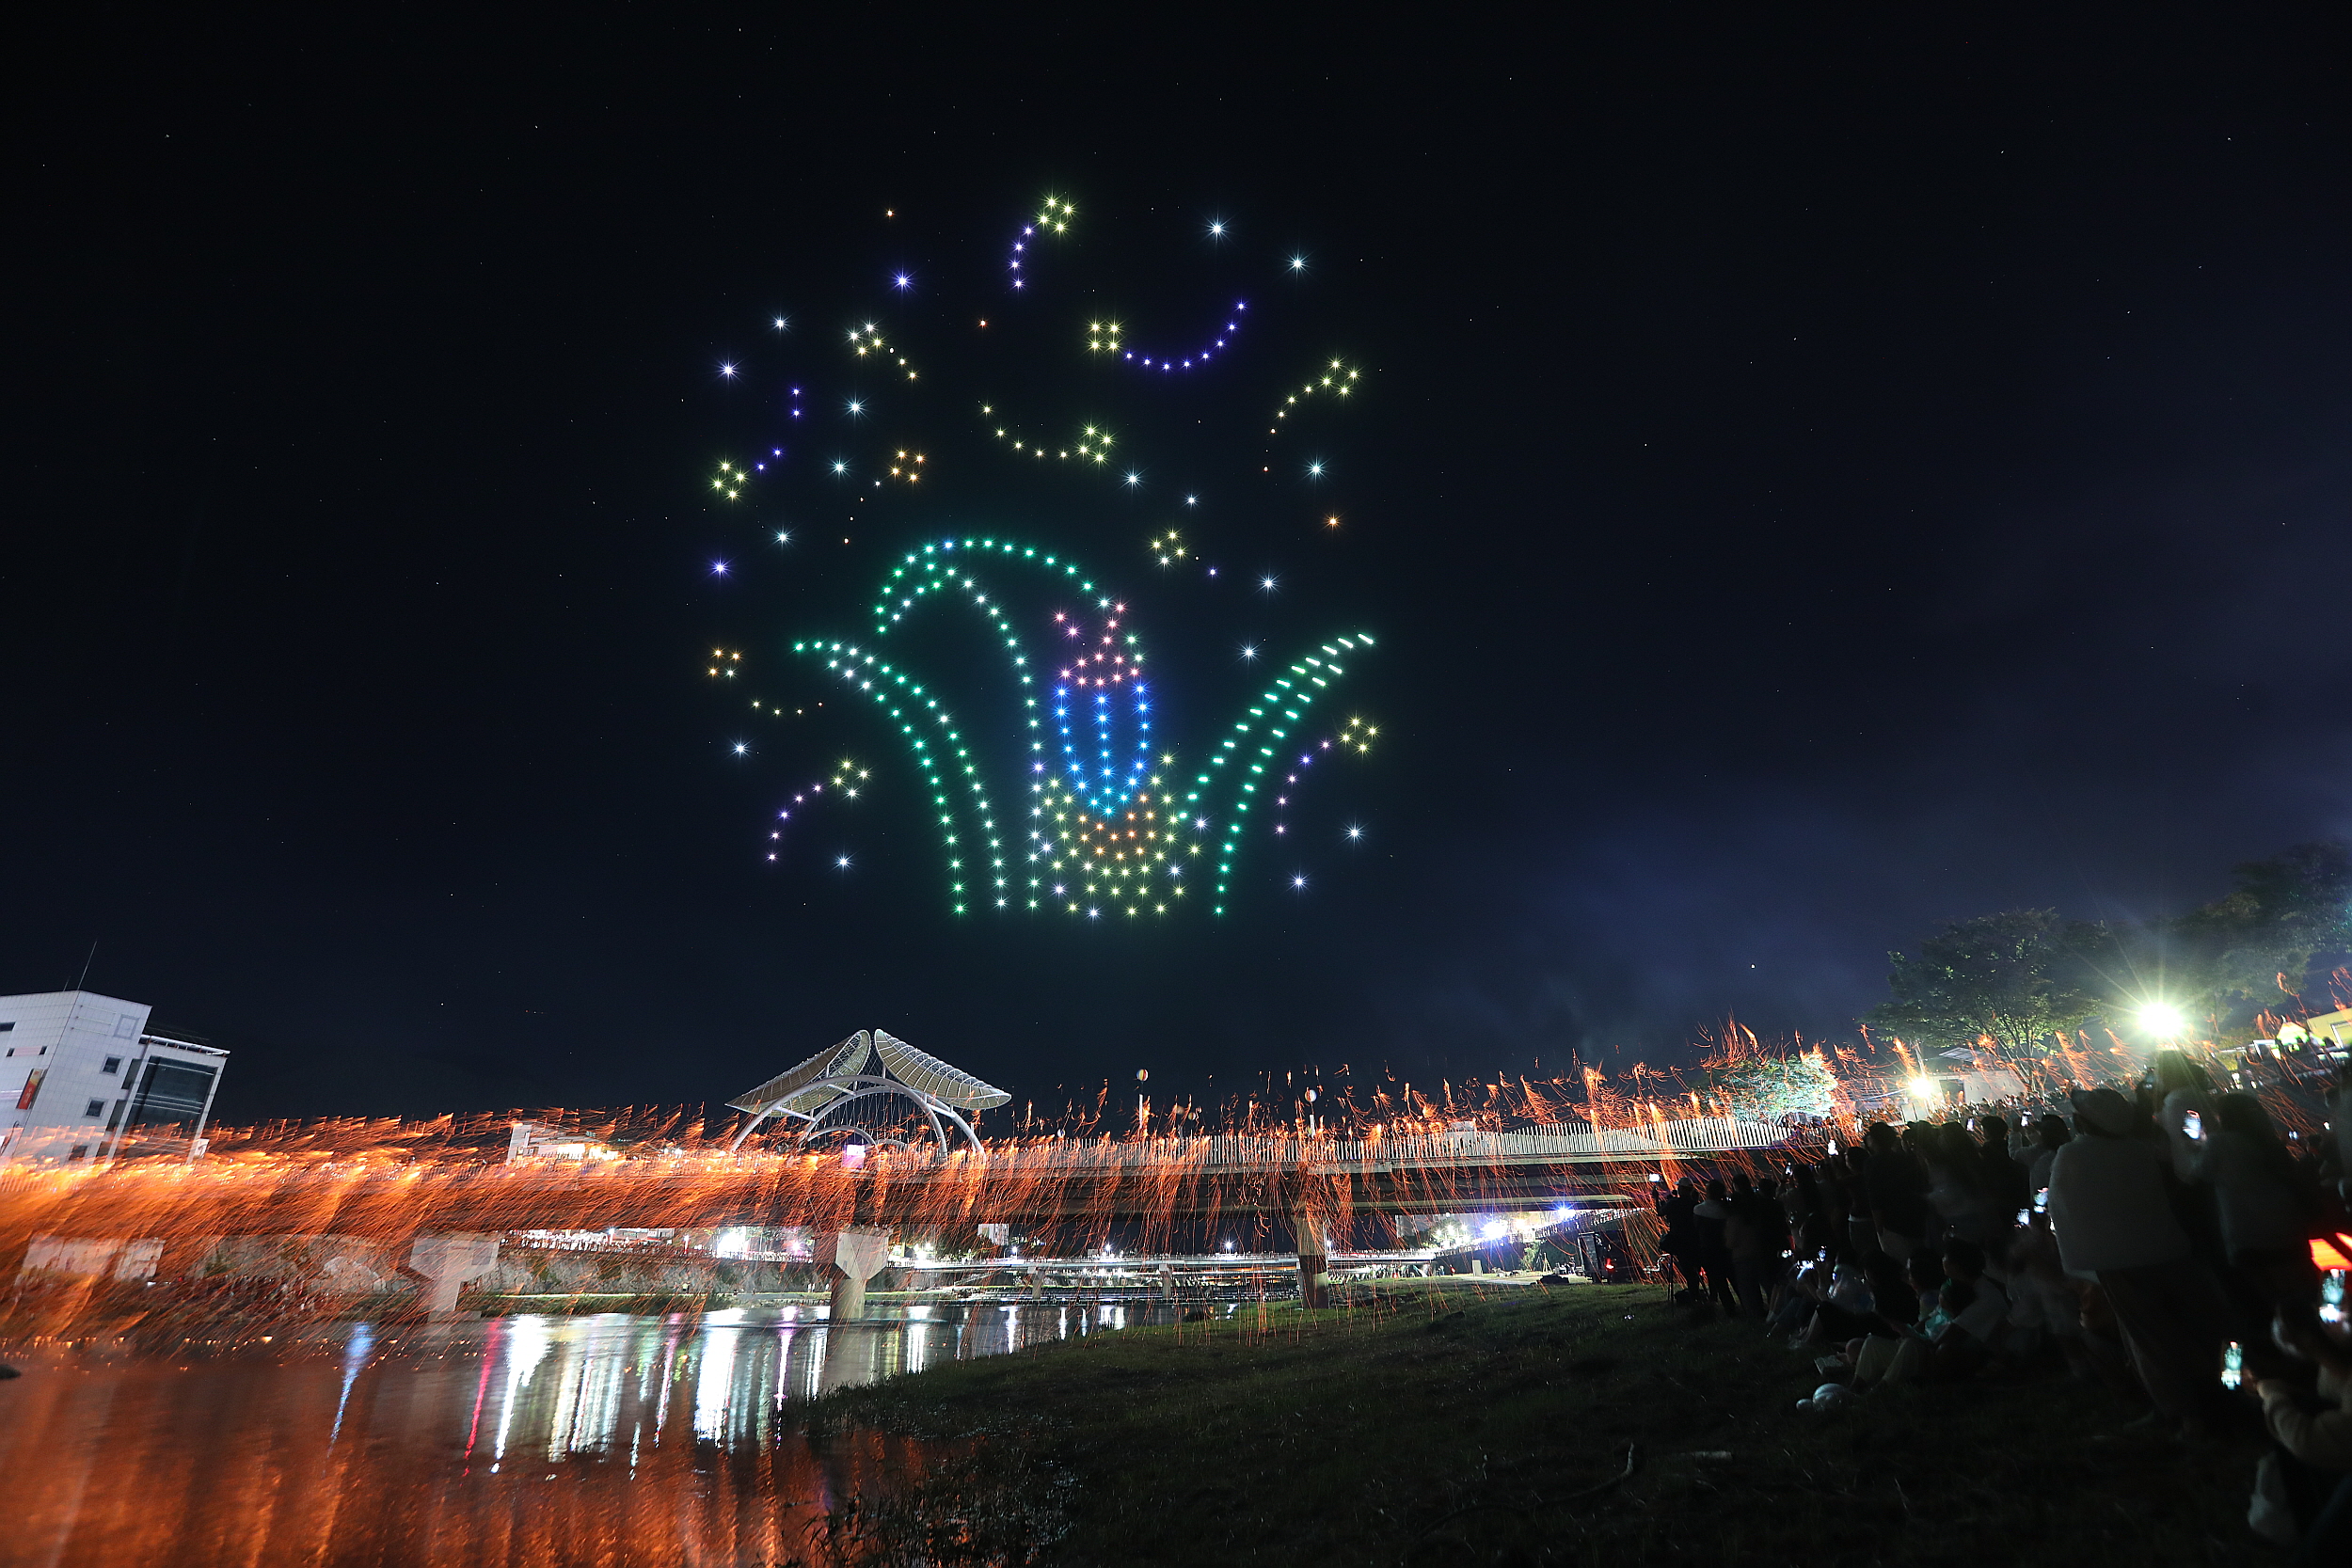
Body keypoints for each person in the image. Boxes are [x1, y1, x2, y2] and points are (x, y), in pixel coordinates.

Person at [2046, 1086, 2235, 1433]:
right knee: (2194, 1324)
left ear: (2084, 1122)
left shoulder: (2072, 1155)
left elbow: (2067, 1211)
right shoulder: (2140, 1151)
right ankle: (2228, 1392)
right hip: (2166, 1249)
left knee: (2149, 1339)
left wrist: (2079, 1263)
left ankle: (2182, 1413)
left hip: (2119, 1263)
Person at [2185, 1091, 2320, 1308]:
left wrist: (2196, 1145)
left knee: (2275, 1300)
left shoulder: (2219, 1143)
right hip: (2288, 1224)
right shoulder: (2267, 1139)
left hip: (2250, 1233)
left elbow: (2199, 1174)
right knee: (2306, 1288)